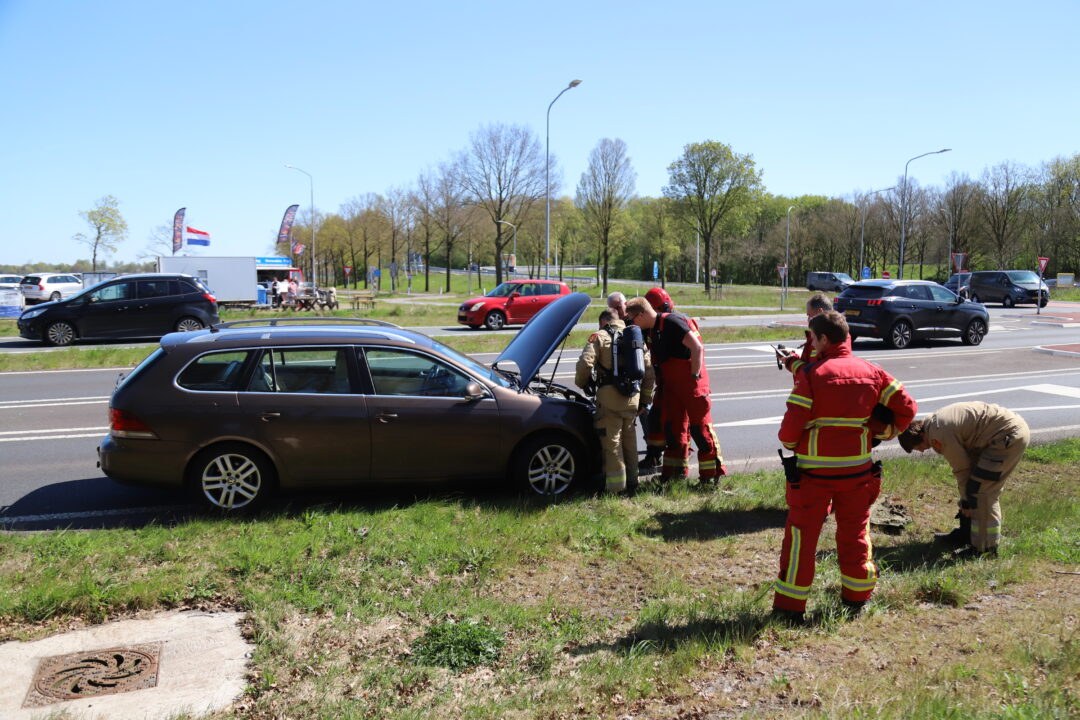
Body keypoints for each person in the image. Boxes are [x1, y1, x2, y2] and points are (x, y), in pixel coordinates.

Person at [773, 310, 917, 623]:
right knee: (856, 534)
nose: (811, 344)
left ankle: (790, 608)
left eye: (813, 338)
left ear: (824, 339)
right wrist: (882, 433)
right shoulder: (873, 371)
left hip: (813, 478)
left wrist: (795, 442)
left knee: (801, 539)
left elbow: (788, 434)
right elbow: (907, 408)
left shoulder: (813, 375)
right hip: (858, 475)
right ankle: (856, 598)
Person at [898, 402, 1029, 557]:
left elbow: (962, 469)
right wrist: (965, 499)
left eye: (918, 447)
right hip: (999, 434)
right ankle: (966, 535)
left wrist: (966, 501)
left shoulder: (939, 434)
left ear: (921, 435)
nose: (921, 451)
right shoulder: (932, 423)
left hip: (1006, 438)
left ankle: (985, 549)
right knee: (971, 487)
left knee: (982, 492)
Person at [625, 297, 724, 484]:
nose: (633, 323)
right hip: (672, 386)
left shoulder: (671, 322)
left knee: (700, 430)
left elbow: (697, 348)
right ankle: (674, 475)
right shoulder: (651, 330)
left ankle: (710, 478)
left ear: (642, 314)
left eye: (633, 319)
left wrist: (694, 375)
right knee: (673, 430)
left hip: (691, 384)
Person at [575, 309, 654, 493]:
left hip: (609, 399)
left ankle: (616, 488)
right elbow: (649, 373)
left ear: (603, 322)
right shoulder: (635, 338)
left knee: (612, 444)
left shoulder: (599, 336)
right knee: (630, 441)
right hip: (632, 399)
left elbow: (585, 364)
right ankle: (633, 483)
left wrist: (582, 383)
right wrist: (644, 401)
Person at [638, 287, 699, 471]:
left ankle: (681, 459)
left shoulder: (678, 322)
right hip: (663, 378)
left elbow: (696, 350)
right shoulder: (651, 324)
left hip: (681, 380)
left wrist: (693, 376)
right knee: (656, 418)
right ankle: (654, 456)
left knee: (678, 423)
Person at [777, 293, 833, 376]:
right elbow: (808, 362)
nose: (808, 319)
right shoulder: (820, 336)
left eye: (809, 315)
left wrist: (790, 361)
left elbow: (811, 373)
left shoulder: (825, 339)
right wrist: (791, 356)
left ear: (820, 312)